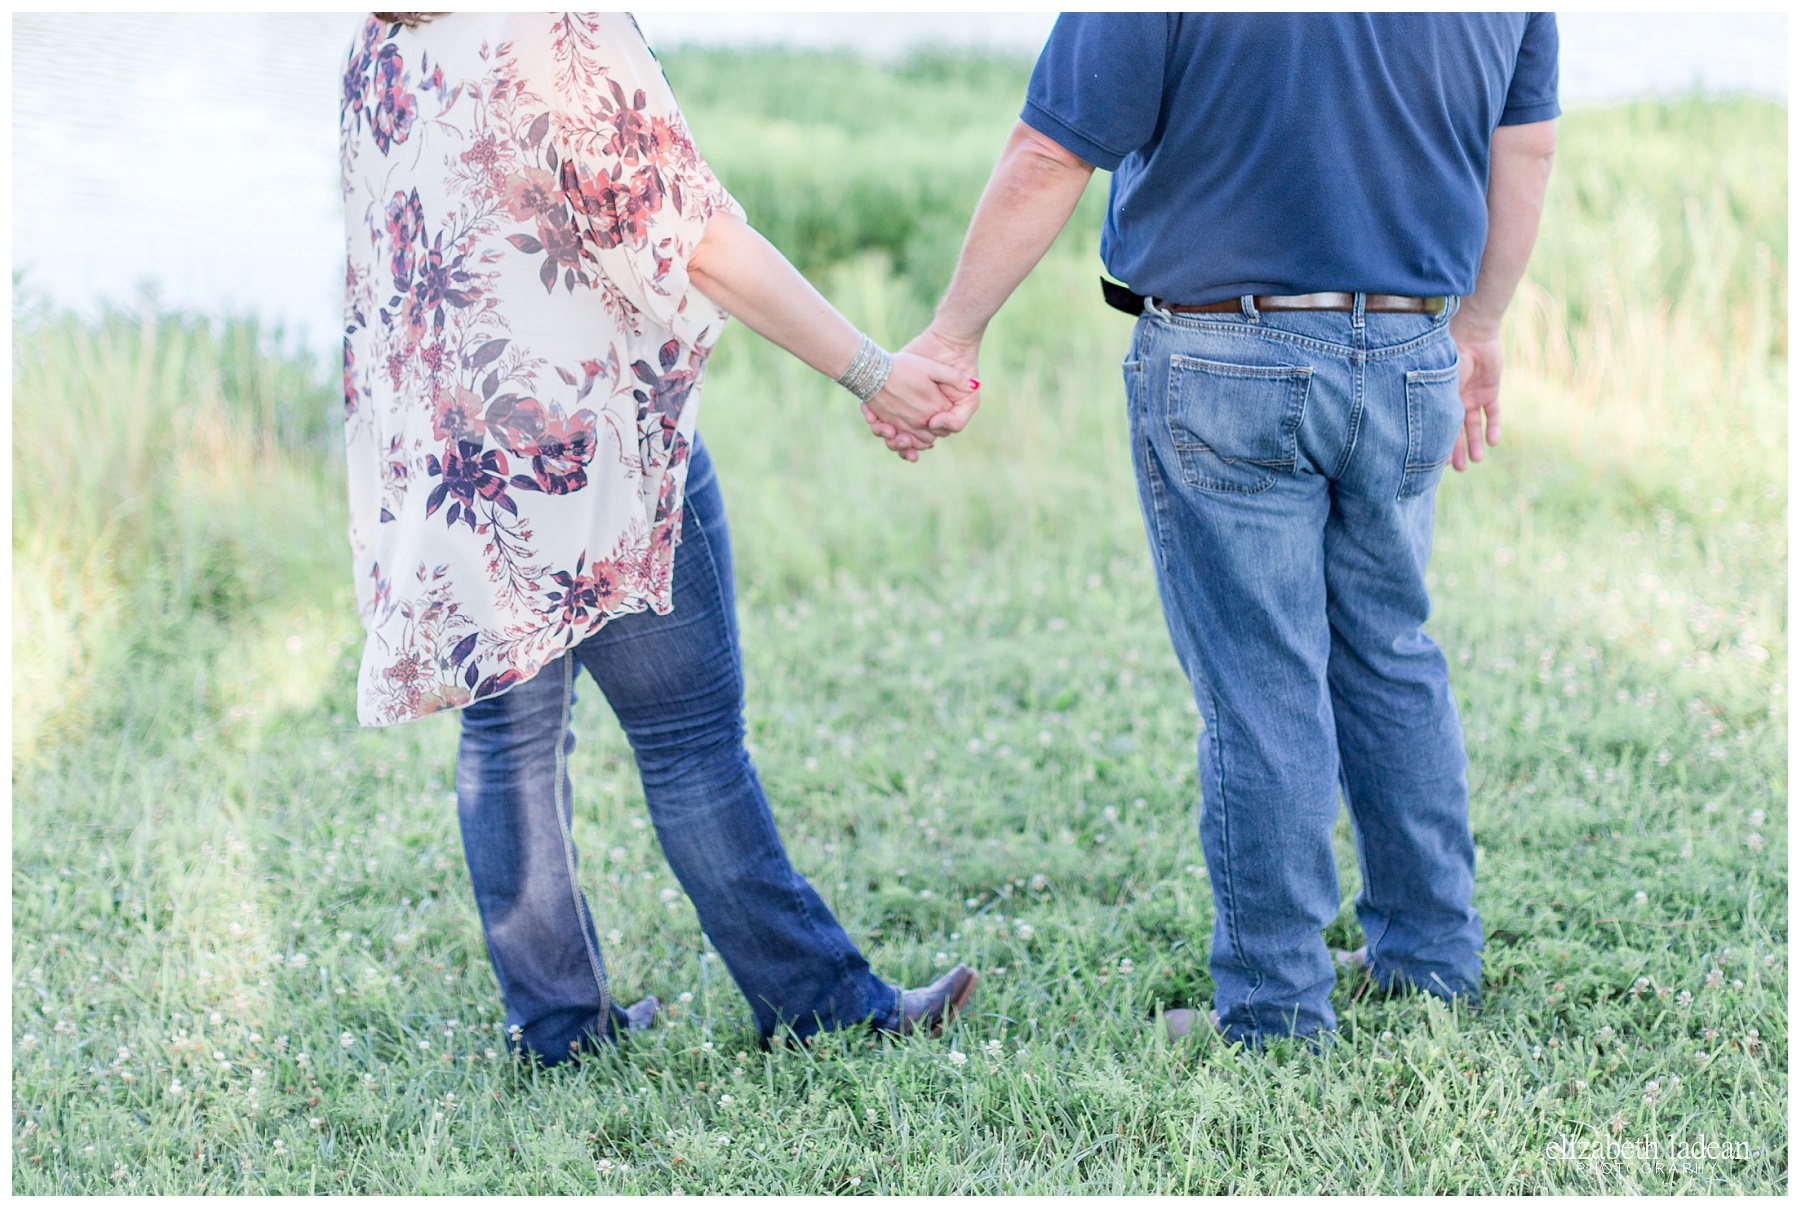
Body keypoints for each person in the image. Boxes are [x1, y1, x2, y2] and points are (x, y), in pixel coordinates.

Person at [888, 13, 1560, 1047]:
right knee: (1393, 654)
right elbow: (1527, 144)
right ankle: (1429, 961)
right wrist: (1481, 323)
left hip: (1228, 355)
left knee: (1261, 687)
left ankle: (1277, 1007)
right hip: (1411, 343)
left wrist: (948, 335)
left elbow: (1049, 151)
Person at [340, 12, 975, 1064]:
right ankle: (822, 1007)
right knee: (690, 746)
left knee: (506, 748)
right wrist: (873, 369)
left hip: (463, 477)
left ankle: (558, 1033)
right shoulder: (550, 28)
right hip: (591, 462)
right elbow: (697, 238)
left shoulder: (380, 37)